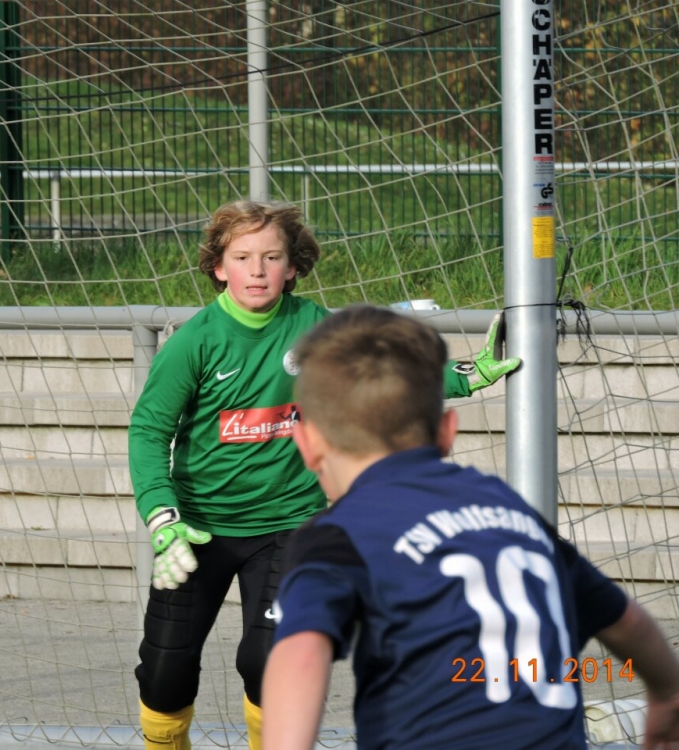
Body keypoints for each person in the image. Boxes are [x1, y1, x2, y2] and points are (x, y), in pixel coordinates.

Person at [128, 200, 521, 750]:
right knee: (166, 673)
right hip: (195, 531)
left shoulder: (316, 328)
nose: (258, 269)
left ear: (293, 266)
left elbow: (380, 376)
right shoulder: (194, 342)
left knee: (268, 661)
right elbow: (148, 431)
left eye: (272, 256)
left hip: (290, 525)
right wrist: (161, 516)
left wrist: (466, 375)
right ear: (219, 267)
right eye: (242, 257)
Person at [261, 305, 679, 750]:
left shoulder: (339, 534)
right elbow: (626, 621)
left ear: (306, 444)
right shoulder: (511, 512)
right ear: (447, 431)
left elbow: (301, 654)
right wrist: (668, 692)